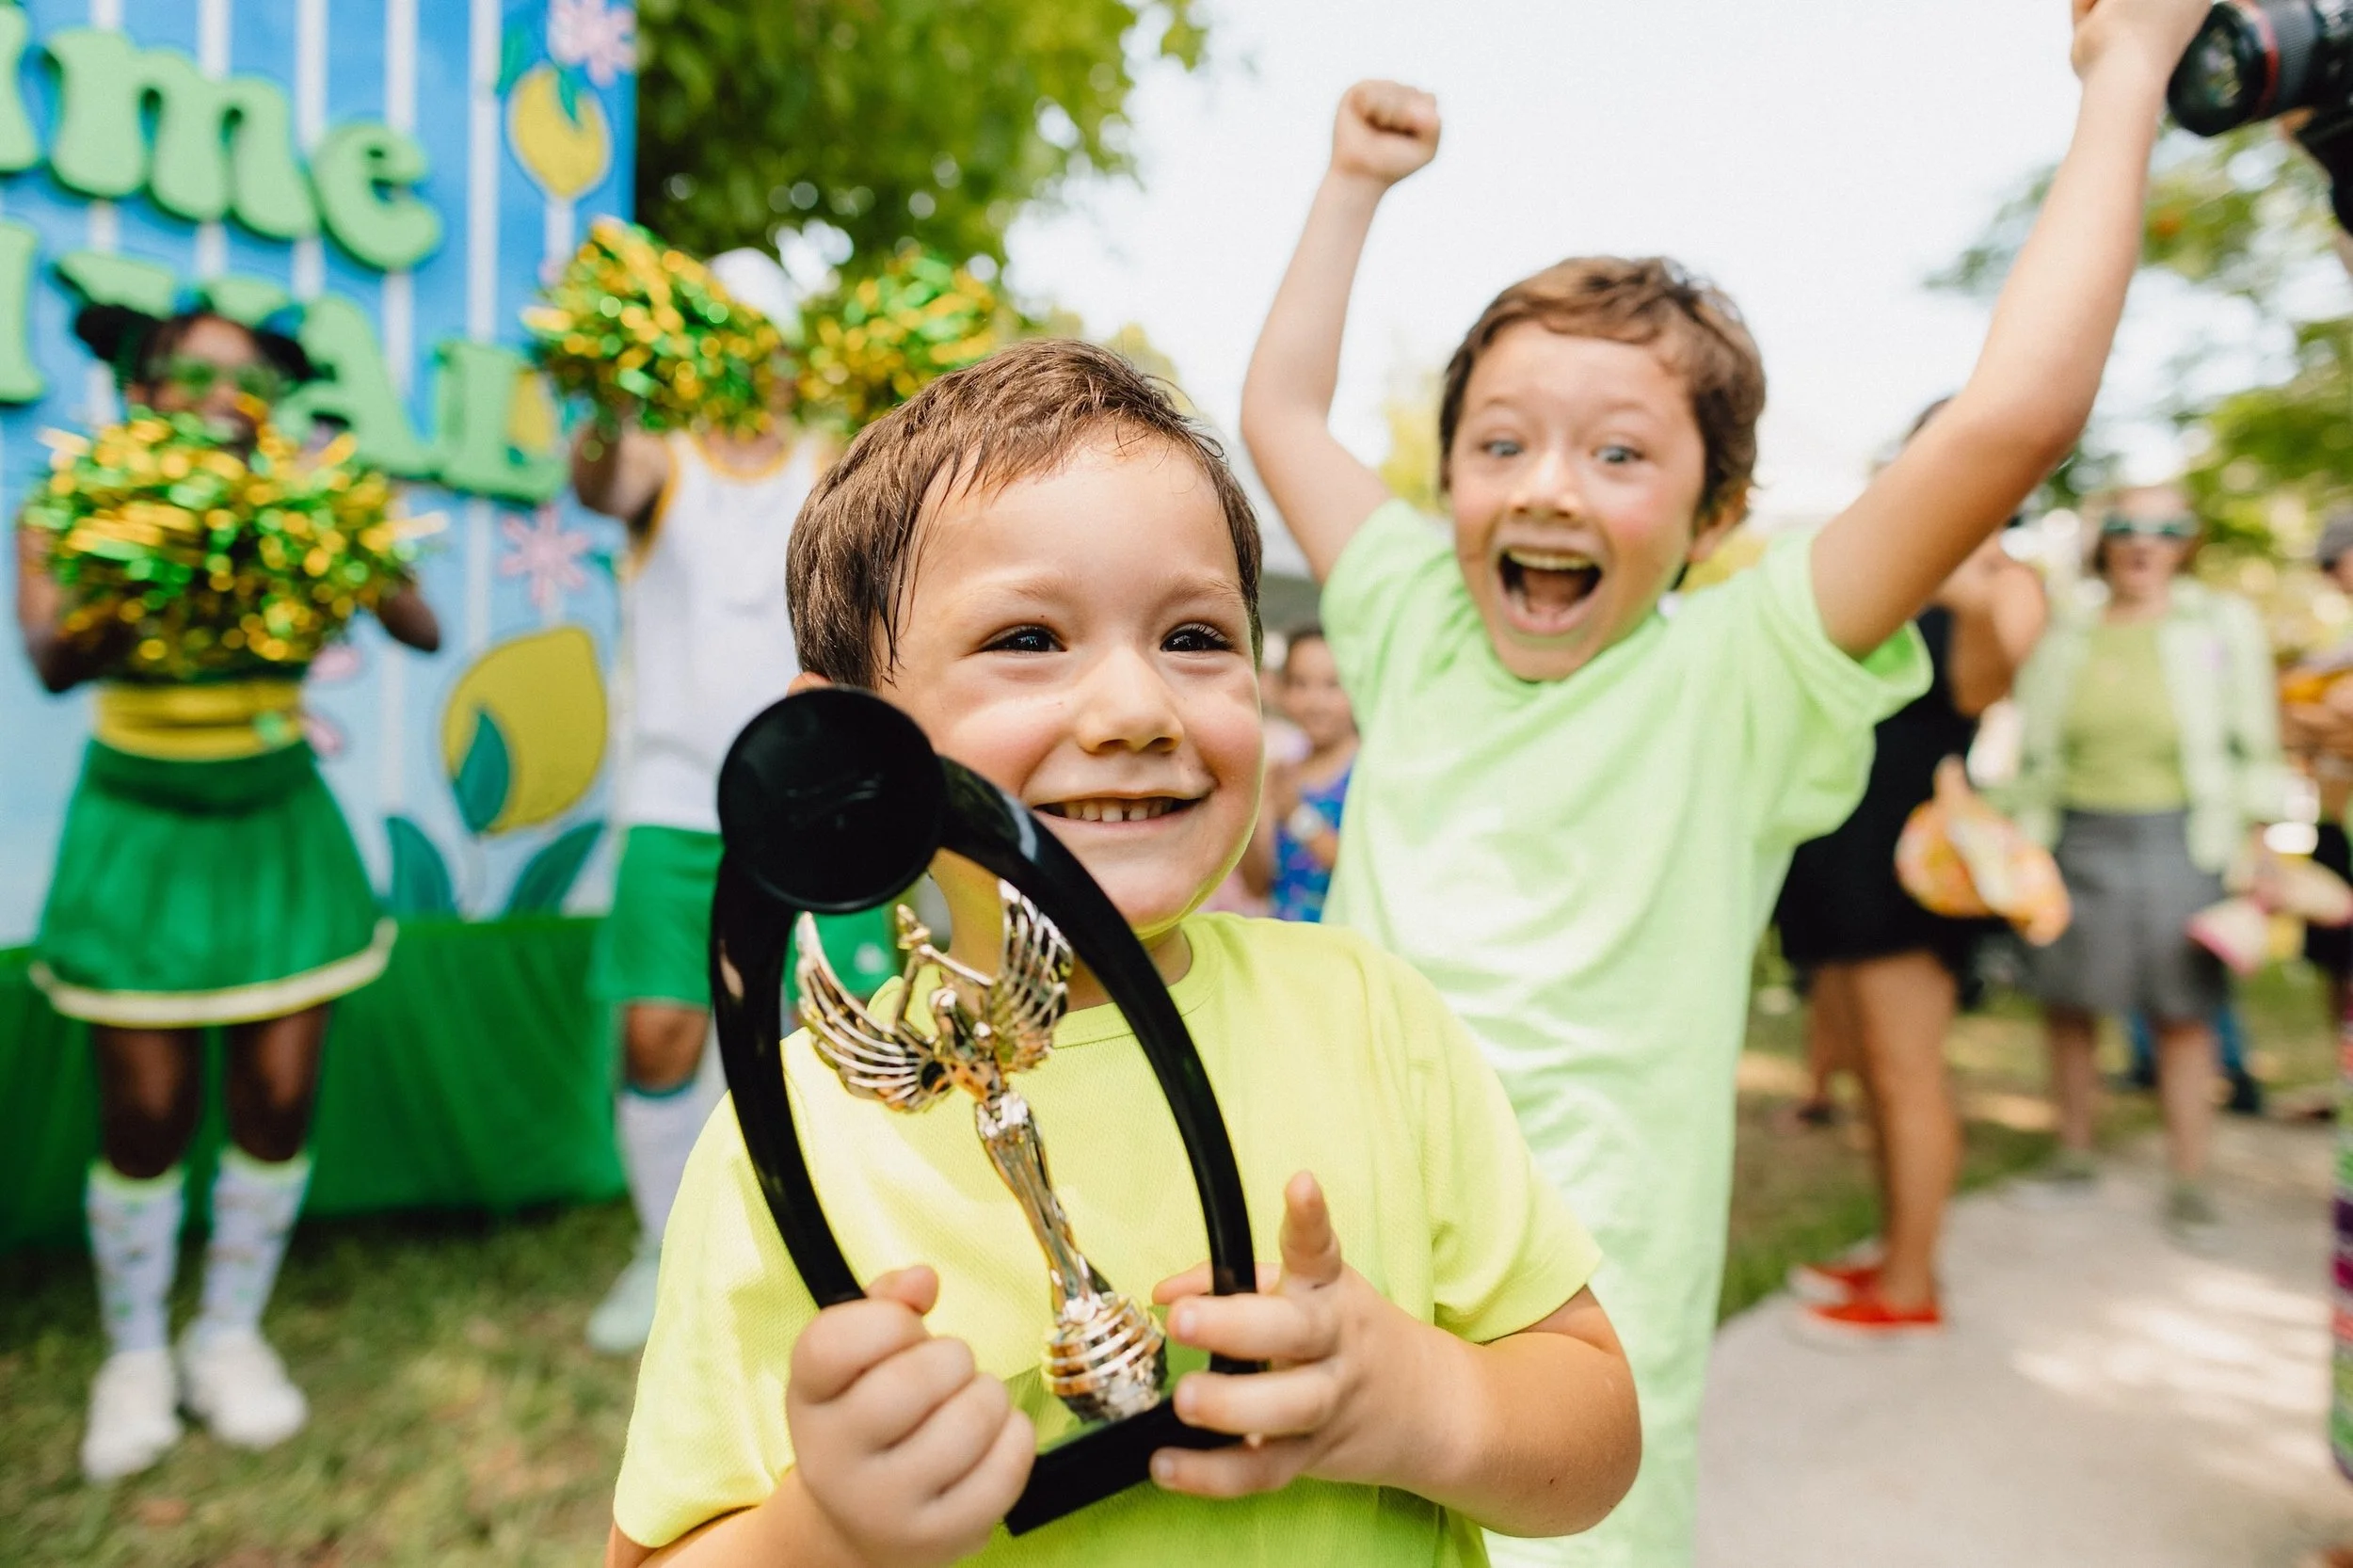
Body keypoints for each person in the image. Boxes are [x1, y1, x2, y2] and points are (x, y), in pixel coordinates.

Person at [1237, 5, 2207, 1559]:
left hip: (1577, 1339)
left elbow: (2014, 417)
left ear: (1718, 508)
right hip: (1344, 1262)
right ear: (1451, 480)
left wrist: (2126, 79)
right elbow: (1281, 413)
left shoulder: (1742, 668)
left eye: (1619, 454)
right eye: (1500, 443)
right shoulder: (1415, 616)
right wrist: (1350, 185)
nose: (1548, 483)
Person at [604, 340, 1642, 1566]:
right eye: (1030, 638)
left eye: (1197, 636)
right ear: (845, 740)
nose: (1138, 709)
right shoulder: (795, 1140)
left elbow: (1597, 1430)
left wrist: (1421, 1401)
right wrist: (819, 1530)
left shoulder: (1369, 1014)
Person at [16, 304, 441, 1481]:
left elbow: (419, 622)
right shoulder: (76, 505)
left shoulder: (305, 498)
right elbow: (52, 661)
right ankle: (135, 1356)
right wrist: (159, 555)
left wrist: (326, 527)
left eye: (242, 379)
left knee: (277, 1095)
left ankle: (228, 1336)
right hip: (140, 831)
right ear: (142, 386)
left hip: (278, 825)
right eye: (191, 373)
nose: (217, 394)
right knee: (144, 1113)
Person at [569, 249, 891, 1356]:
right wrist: (613, 378)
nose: (753, 370)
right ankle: (665, 1249)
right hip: (670, 800)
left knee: (842, 1028)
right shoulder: (664, 462)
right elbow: (596, 480)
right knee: (660, 1035)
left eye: (769, 348)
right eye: (729, 345)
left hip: (815, 793)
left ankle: (830, 1243)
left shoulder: (829, 462)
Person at [1776, 451, 2047, 1341]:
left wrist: (1967, 594)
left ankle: (1910, 1284)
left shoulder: (2003, 579)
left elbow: (1980, 691)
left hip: (1911, 857)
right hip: (1836, 845)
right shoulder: (1885, 563)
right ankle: (1894, 1250)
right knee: (1865, 1068)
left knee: (1907, 1071)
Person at [2003, 484, 2284, 1248]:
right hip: (2074, 834)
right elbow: (2033, 746)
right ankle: (2074, 1153)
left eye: (2165, 527)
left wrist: (2261, 849)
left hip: (2184, 838)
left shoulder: (2220, 622)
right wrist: (2017, 840)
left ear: (2186, 540)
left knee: (2183, 1014)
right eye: (2127, 524)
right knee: (2067, 1002)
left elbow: (2255, 742)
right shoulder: (2069, 629)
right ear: (2106, 537)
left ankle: (2191, 1183)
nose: (2143, 541)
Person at [1242, 622, 1357, 921]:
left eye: (1333, 685)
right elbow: (1258, 886)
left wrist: (1296, 815)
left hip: (1347, 945)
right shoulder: (1282, 774)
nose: (1314, 702)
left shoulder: (1370, 770)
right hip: (1287, 944)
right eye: (1300, 684)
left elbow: (1364, 871)